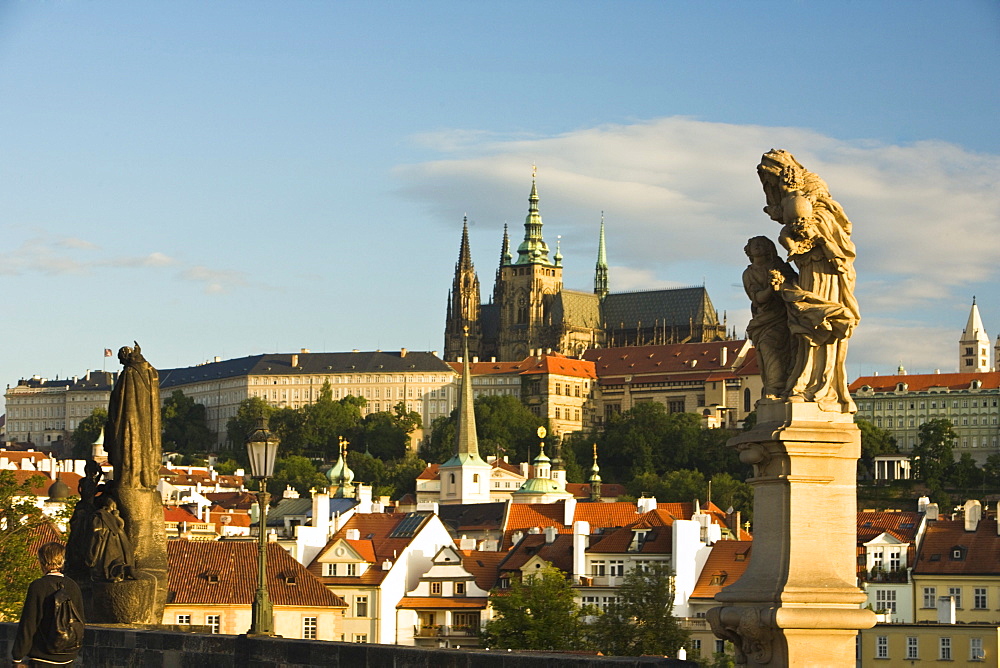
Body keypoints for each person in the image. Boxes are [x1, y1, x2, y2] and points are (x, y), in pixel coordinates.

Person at [12, 542, 85, 667]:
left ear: (42, 561)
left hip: (43, 656)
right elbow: (80, 620)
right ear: (62, 560)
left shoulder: (38, 586)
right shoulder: (73, 586)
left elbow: (29, 624)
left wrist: (17, 657)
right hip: (67, 656)